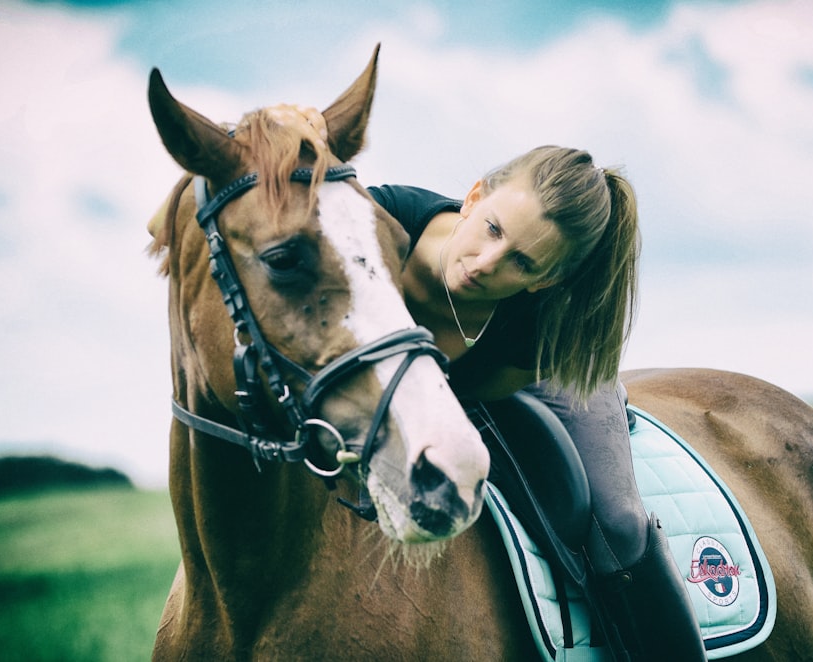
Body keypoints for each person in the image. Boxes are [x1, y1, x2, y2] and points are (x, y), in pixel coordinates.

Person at [272, 108, 707, 661]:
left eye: (521, 263)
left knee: (617, 522)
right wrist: (293, 139)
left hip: (535, 376)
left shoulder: (539, 317)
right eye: (493, 229)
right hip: (427, 382)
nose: (486, 263)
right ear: (474, 197)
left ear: (545, 279)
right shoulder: (384, 219)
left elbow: (484, 394)